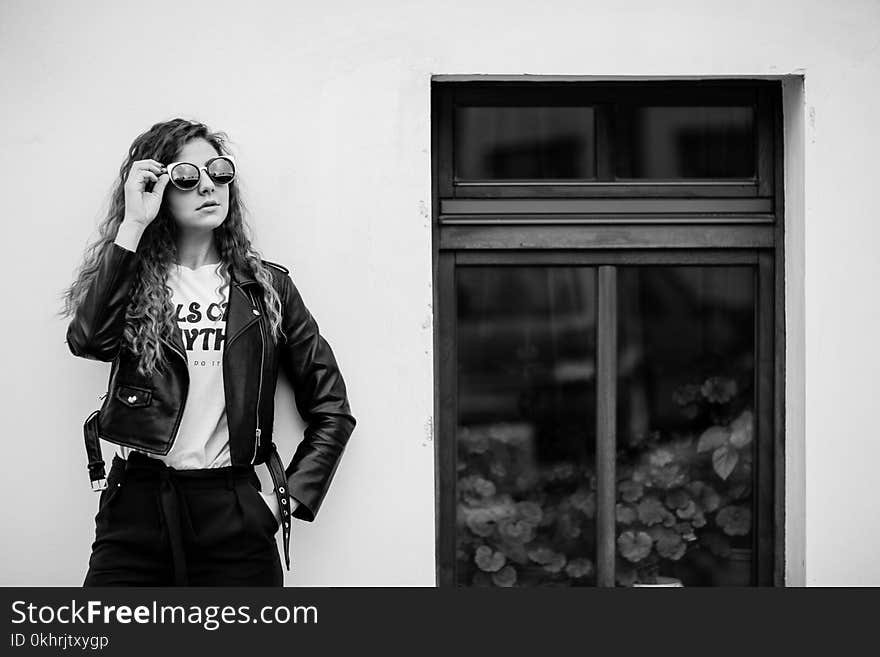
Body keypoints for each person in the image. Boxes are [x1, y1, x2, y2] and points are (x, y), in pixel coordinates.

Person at [59, 118, 356, 586]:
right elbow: (89, 341)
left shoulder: (267, 289)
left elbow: (332, 410)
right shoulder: (134, 281)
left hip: (232, 508)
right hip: (137, 504)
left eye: (218, 171)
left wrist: (283, 501)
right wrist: (133, 223)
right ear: (159, 189)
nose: (208, 186)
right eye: (186, 177)